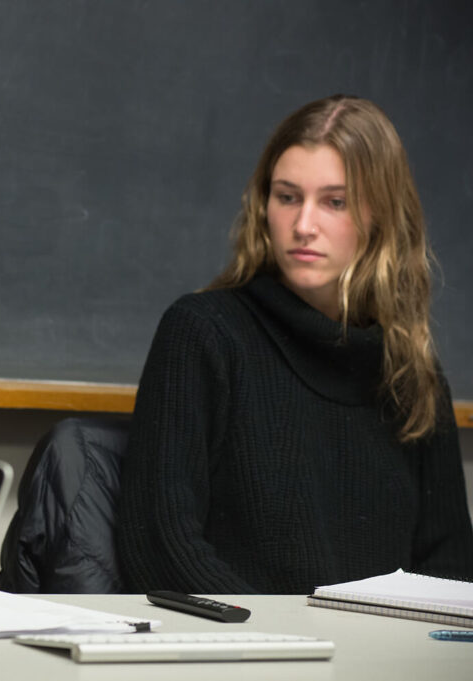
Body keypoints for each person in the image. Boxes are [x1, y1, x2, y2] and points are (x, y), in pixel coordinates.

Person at [115, 95, 473, 595]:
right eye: (287, 197)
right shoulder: (203, 332)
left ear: (382, 218)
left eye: (335, 201)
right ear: (264, 206)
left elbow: (451, 567)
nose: (304, 225)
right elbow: (160, 545)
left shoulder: (411, 368)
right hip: (248, 656)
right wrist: (275, 643)